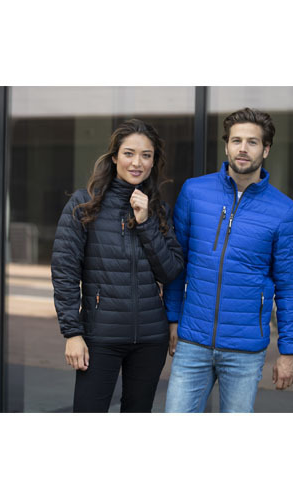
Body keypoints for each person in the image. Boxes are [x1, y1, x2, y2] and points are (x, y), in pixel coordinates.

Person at [163, 108, 293, 413]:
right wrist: (173, 318)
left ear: (266, 149)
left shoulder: (284, 211)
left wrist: (289, 352)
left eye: (252, 142)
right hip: (192, 341)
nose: (243, 148)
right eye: (236, 140)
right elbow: (177, 263)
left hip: (245, 349)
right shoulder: (194, 192)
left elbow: (290, 288)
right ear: (226, 145)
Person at [51, 119, 184, 412]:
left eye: (146, 155)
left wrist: (145, 222)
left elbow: (170, 270)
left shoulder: (158, 209)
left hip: (150, 338)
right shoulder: (84, 204)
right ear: (114, 157)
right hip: (100, 337)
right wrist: (72, 333)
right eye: (129, 153)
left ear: (153, 162)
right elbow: (64, 273)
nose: (137, 162)